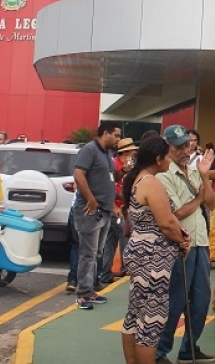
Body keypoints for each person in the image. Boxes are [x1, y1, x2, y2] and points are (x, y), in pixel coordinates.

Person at [120, 136, 192, 364]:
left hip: (140, 252)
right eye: (168, 155)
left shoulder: (136, 179)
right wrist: (182, 241)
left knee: (135, 315)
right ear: (159, 159)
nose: (171, 159)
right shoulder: (151, 182)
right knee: (151, 321)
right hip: (153, 258)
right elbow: (167, 223)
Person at [155, 126, 215, 364]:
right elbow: (175, 213)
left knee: (201, 299)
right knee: (176, 299)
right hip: (181, 245)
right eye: (179, 146)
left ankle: (189, 348)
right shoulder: (163, 176)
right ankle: (161, 352)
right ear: (167, 147)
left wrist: (204, 176)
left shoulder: (194, 170)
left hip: (201, 242)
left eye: (187, 145)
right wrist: (199, 196)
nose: (185, 150)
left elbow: (210, 204)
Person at [73, 121, 122, 310]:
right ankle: (83, 294)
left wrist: (122, 172)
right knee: (88, 253)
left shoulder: (107, 153)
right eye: (116, 135)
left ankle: (90, 290)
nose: (117, 139)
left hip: (104, 211)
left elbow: (110, 178)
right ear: (106, 133)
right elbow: (79, 174)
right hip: (90, 211)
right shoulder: (90, 150)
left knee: (97, 253)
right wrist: (91, 200)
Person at [100, 137, 138, 284]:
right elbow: (111, 187)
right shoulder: (115, 165)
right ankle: (126, 268)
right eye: (132, 152)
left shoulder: (126, 165)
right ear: (125, 152)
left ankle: (105, 273)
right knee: (124, 237)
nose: (134, 154)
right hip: (116, 208)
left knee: (110, 242)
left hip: (120, 207)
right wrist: (116, 206)